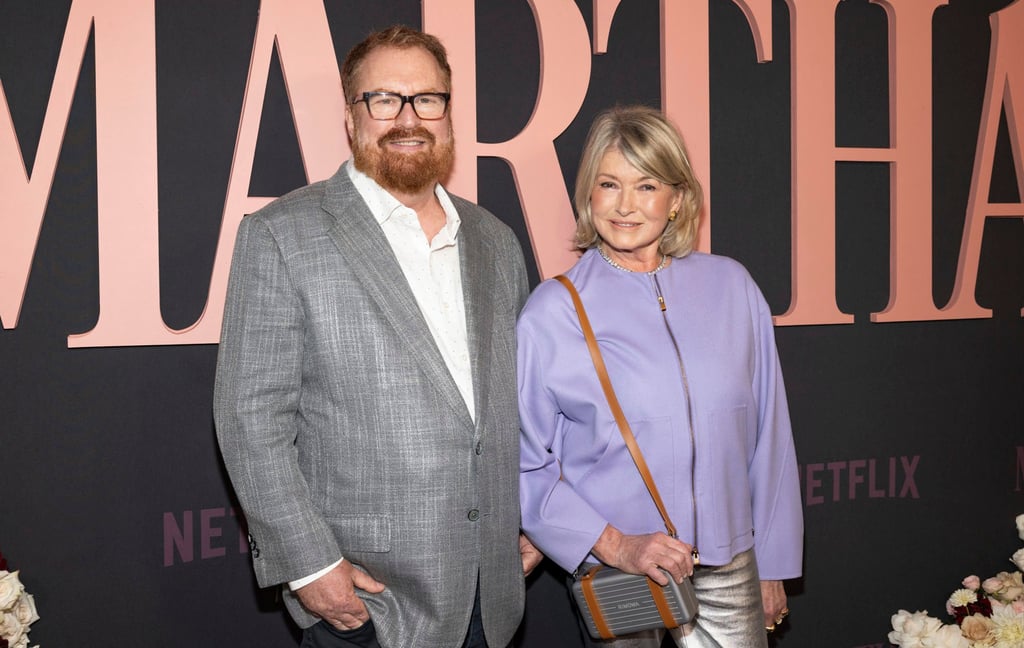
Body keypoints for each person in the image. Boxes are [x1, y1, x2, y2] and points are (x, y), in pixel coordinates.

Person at [214, 25, 539, 648]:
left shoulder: (496, 241)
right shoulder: (283, 234)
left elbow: (523, 406)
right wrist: (310, 567)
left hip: (491, 599)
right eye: (384, 100)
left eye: (427, 99)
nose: (408, 118)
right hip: (369, 606)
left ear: (448, 111)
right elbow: (248, 417)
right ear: (350, 116)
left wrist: (536, 521)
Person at [517, 105, 803, 647]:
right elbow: (525, 465)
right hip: (620, 567)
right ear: (588, 195)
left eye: (646, 185)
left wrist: (773, 561)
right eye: (608, 184)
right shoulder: (553, 311)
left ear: (677, 199)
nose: (625, 206)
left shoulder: (732, 288)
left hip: (729, 561)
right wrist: (616, 545)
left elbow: (770, 436)